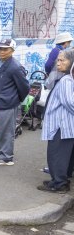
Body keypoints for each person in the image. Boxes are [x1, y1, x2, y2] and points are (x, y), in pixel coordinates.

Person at [37, 49, 74, 193]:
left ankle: (60, 184)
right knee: (64, 156)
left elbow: (70, 103)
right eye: (57, 60)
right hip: (64, 125)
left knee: (56, 155)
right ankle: (58, 180)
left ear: (71, 62)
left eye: (62, 60)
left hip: (61, 125)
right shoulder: (67, 78)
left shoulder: (66, 80)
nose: (58, 63)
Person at [0, 39, 30, 166]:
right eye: (0, 48)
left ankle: (7, 156)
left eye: (5, 49)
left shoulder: (15, 67)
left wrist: (15, 100)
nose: (1, 51)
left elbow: (24, 87)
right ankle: (1, 151)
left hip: (8, 103)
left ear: (12, 50)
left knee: (7, 131)